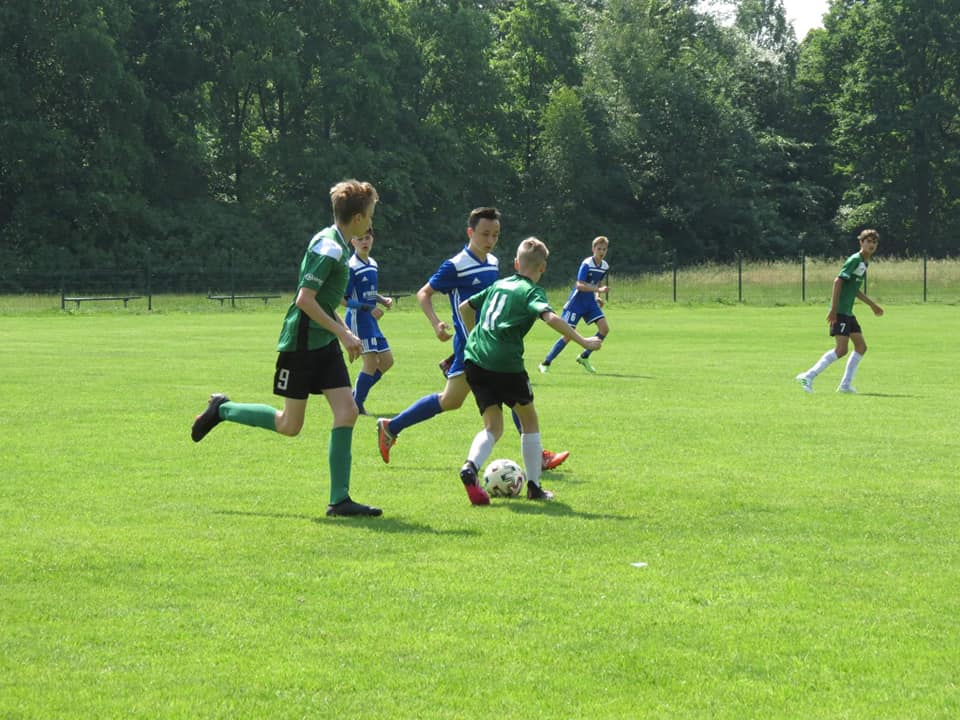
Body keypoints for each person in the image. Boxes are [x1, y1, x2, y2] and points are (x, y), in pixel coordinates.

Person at [191, 179, 383, 517]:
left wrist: (341, 332)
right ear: (356, 218)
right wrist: (343, 333)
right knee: (289, 425)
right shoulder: (329, 248)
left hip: (324, 342)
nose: (370, 223)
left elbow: (323, 300)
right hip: (302, 344)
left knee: (348, 411)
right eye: (369, 216)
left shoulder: (337, 243)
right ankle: (222, 409)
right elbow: (305, 300)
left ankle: (339, 500)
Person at [376, 207, 569, 471]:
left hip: (487, 344)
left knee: (454, 400)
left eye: (495, 235)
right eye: (485, 234)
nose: (490, 240)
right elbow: (424, 293)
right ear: (470, 232)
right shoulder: (455, 265)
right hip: (471, 346)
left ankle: (391, 427)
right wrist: (436, 324)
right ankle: (539, 456)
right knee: (507, 391)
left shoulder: (493, 263)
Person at [458, 237, 603, 505]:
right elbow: (551, 317)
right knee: (529, 421)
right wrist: (583, 341)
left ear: (516, 263)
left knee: (493, 426)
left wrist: (471, 336)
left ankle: (470, 466)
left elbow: (464, 307)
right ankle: (535, 487)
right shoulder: (531, 291)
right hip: (505, 364)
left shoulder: (498, 284)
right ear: (542, 267)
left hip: (474, 358)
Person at [795, 229, 884, 394]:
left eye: (874, 242)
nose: (871, 245)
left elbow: (854, 289)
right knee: (841, 350)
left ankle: (845, 385)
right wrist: (834, 309)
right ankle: (808, 376)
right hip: (841, 311)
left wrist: (872, 305)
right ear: (861, 242)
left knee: (861, 347)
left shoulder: (864, 262)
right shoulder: (855, 260)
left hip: (848, 312)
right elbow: (838, 281)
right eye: (868, 241)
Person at [538, 235, 611, 374]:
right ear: (593, 249)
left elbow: (597, 283)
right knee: (568, 335)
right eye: (599, 249)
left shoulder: (605, 266)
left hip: (590, 303)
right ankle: (545, 363)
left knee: (604, 329)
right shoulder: (587, 263)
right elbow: (579, 285)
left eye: (604, 249)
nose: (602, 251)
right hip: (576, 303)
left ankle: (584, 357)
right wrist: (598, 290)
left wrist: (597, 297)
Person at [342, 229, 394, 415]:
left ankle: (355, 397)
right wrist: (368, 308)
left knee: (387, 361)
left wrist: (381, 299)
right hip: (358, 319)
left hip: (370, 320)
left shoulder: (372, 263)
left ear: (372, 239)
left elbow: (368, 292)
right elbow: (344, 299)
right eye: (360, 239)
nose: (364, 242)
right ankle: (357, 405)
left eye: (367, 238)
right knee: (370, 363)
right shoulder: (351, 266)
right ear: (352, 242)